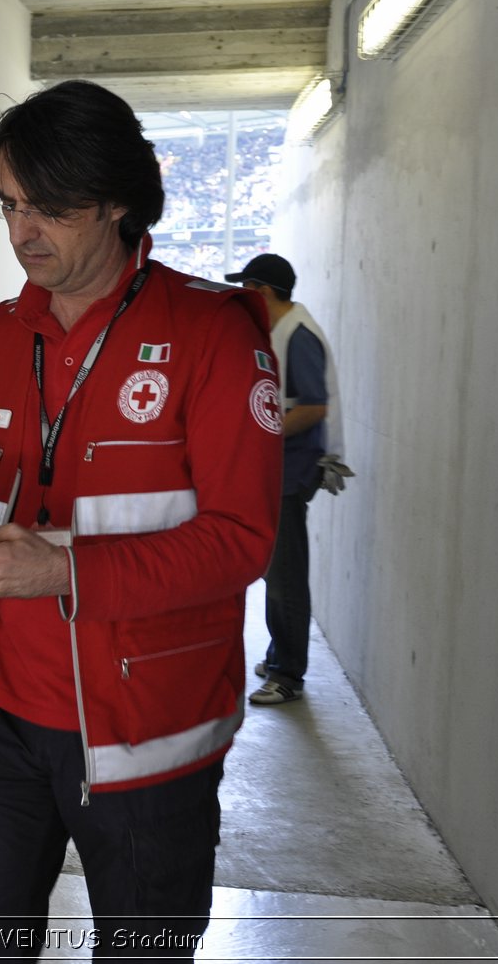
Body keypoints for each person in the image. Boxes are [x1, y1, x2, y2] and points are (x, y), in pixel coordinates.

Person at [0, 79, 282, 958]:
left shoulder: (214, 334)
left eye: (52, 210)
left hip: (144, 728)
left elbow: (240, 540)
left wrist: (68, 570)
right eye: (12, 205)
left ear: (117, 202)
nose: (22, 232)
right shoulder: (7, 333)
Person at [225, 252, 346, 706]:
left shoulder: (296, 335)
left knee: (284, 577)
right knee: (277, 570)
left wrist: (263, 432)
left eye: (246, 289)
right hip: (281, 468)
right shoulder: (282, 330)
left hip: (291, 472)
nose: (242, 297)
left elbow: (314, 406)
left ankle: (287, 675)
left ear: (263, 291)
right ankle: (280, 654)